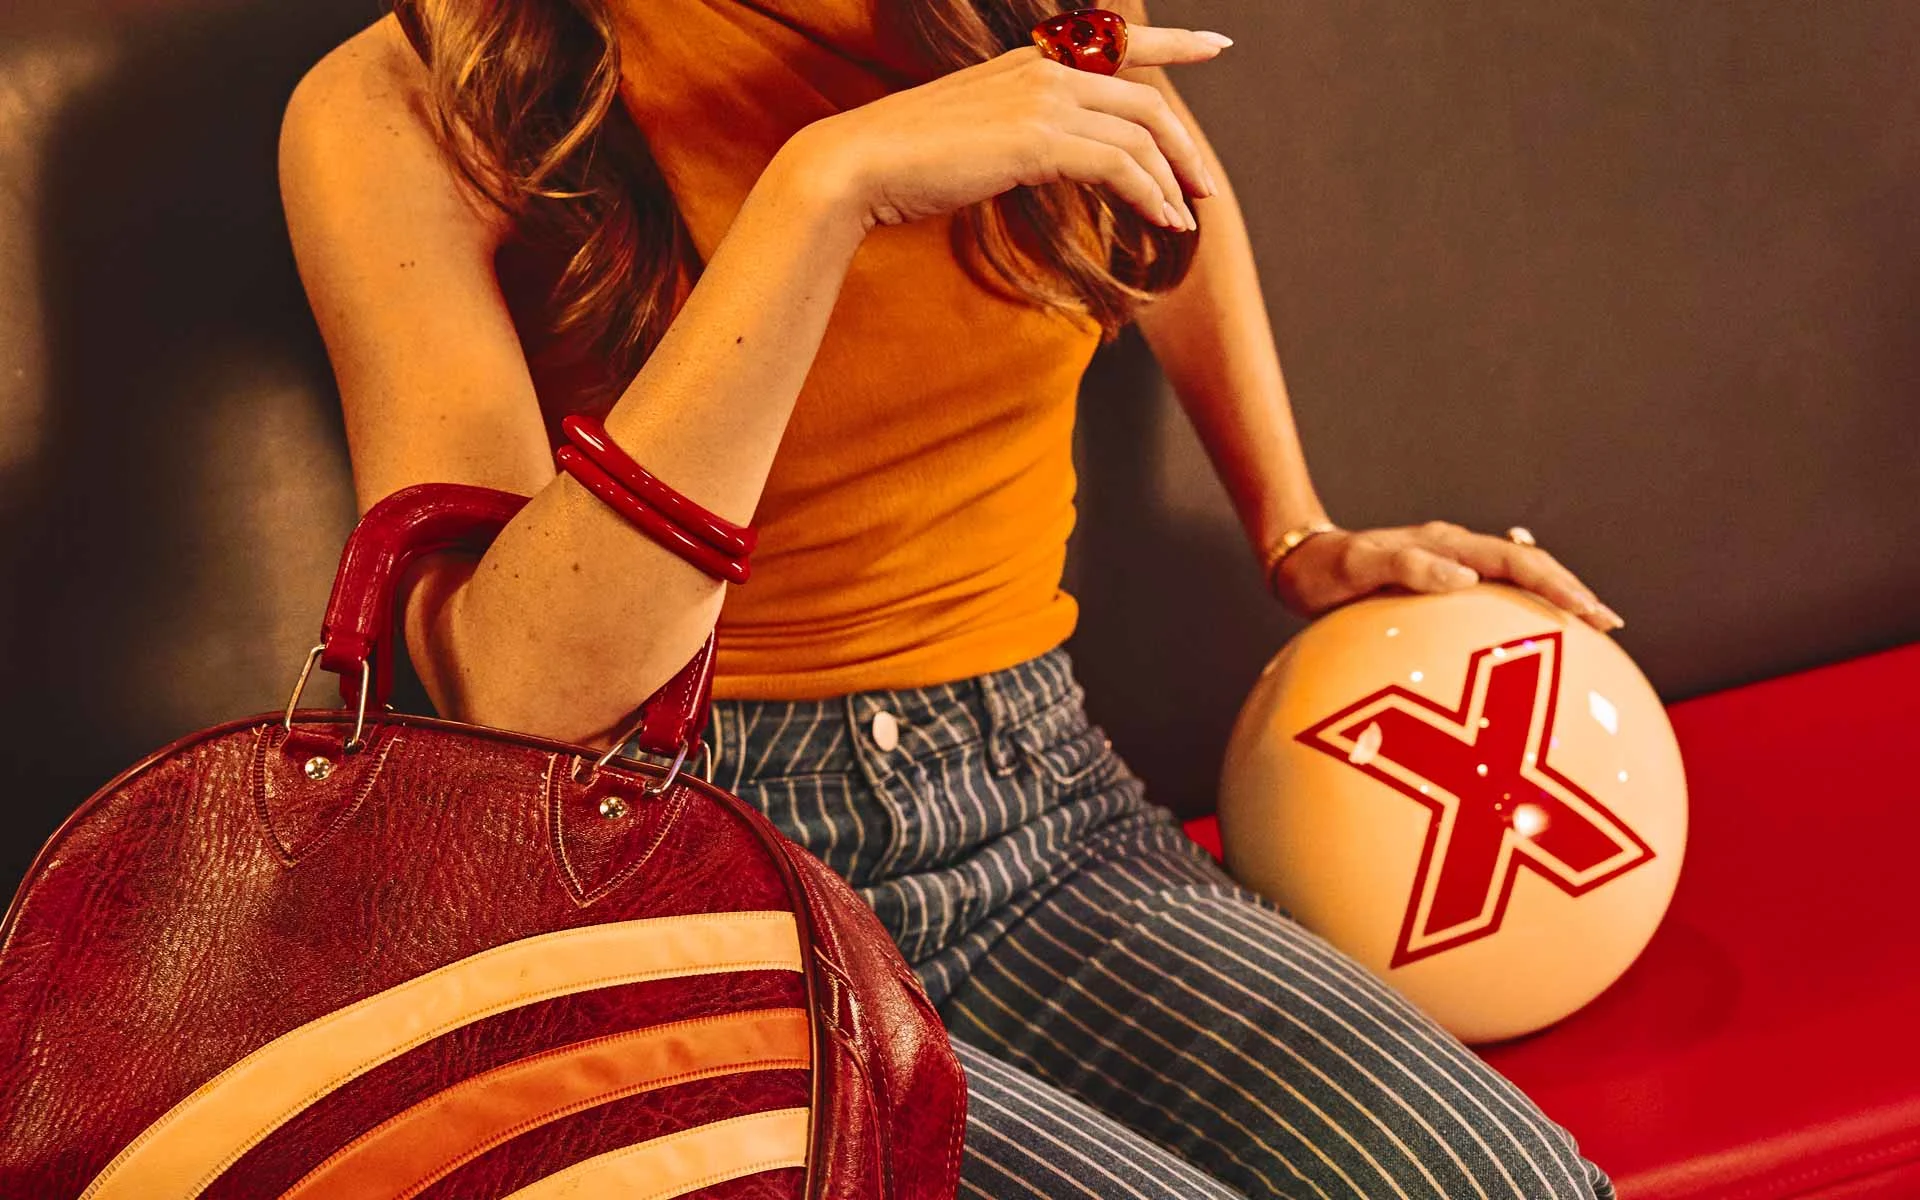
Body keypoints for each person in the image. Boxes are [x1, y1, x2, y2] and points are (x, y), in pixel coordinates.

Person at [277, 1, 1620, 1195]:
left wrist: (1295, 523)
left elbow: (1158, 174)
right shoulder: (403, 100)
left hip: (1041, 801)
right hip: (686, 872)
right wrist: (824, 194)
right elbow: (517, 691)